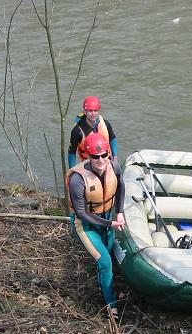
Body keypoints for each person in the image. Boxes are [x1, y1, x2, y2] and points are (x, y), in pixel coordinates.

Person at [66, 133, 125, 319]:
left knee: (109, 256)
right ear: (88, 157)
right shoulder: (78, 179)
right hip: (86, 225)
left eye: (103, 155)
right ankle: (111, 304)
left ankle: (107, 285)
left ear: (108, 153)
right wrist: (111, 223)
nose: (100, 160)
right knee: (105, 262)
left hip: (107, 218)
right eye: (95, 156)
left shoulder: (113, 166)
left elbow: (121, 186)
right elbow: (82, 213)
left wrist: (120, 211)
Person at [68, 96, 118, 168]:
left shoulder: (106, 124)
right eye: (90, 111)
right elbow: (72, 152)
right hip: (88, 165)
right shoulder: (77, 131)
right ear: (85, 112)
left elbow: (112, 138)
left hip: (106, 161)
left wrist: (115, 157)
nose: (93, 114)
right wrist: (72, 170)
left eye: (95, 111)